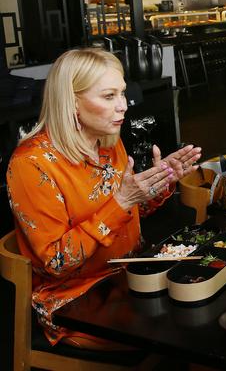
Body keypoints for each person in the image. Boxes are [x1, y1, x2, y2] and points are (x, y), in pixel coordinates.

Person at [6, 48, 202, 349]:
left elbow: (127, 216)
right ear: (72, 102)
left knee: (201, 303)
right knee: (184, 329)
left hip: (131, 275)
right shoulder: (31, 164)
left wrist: (159, 183)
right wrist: (121, 202)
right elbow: (58, 262)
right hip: (77, 300)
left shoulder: (108, 143)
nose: (123, 106)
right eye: (109, 96)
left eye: (122, 93)